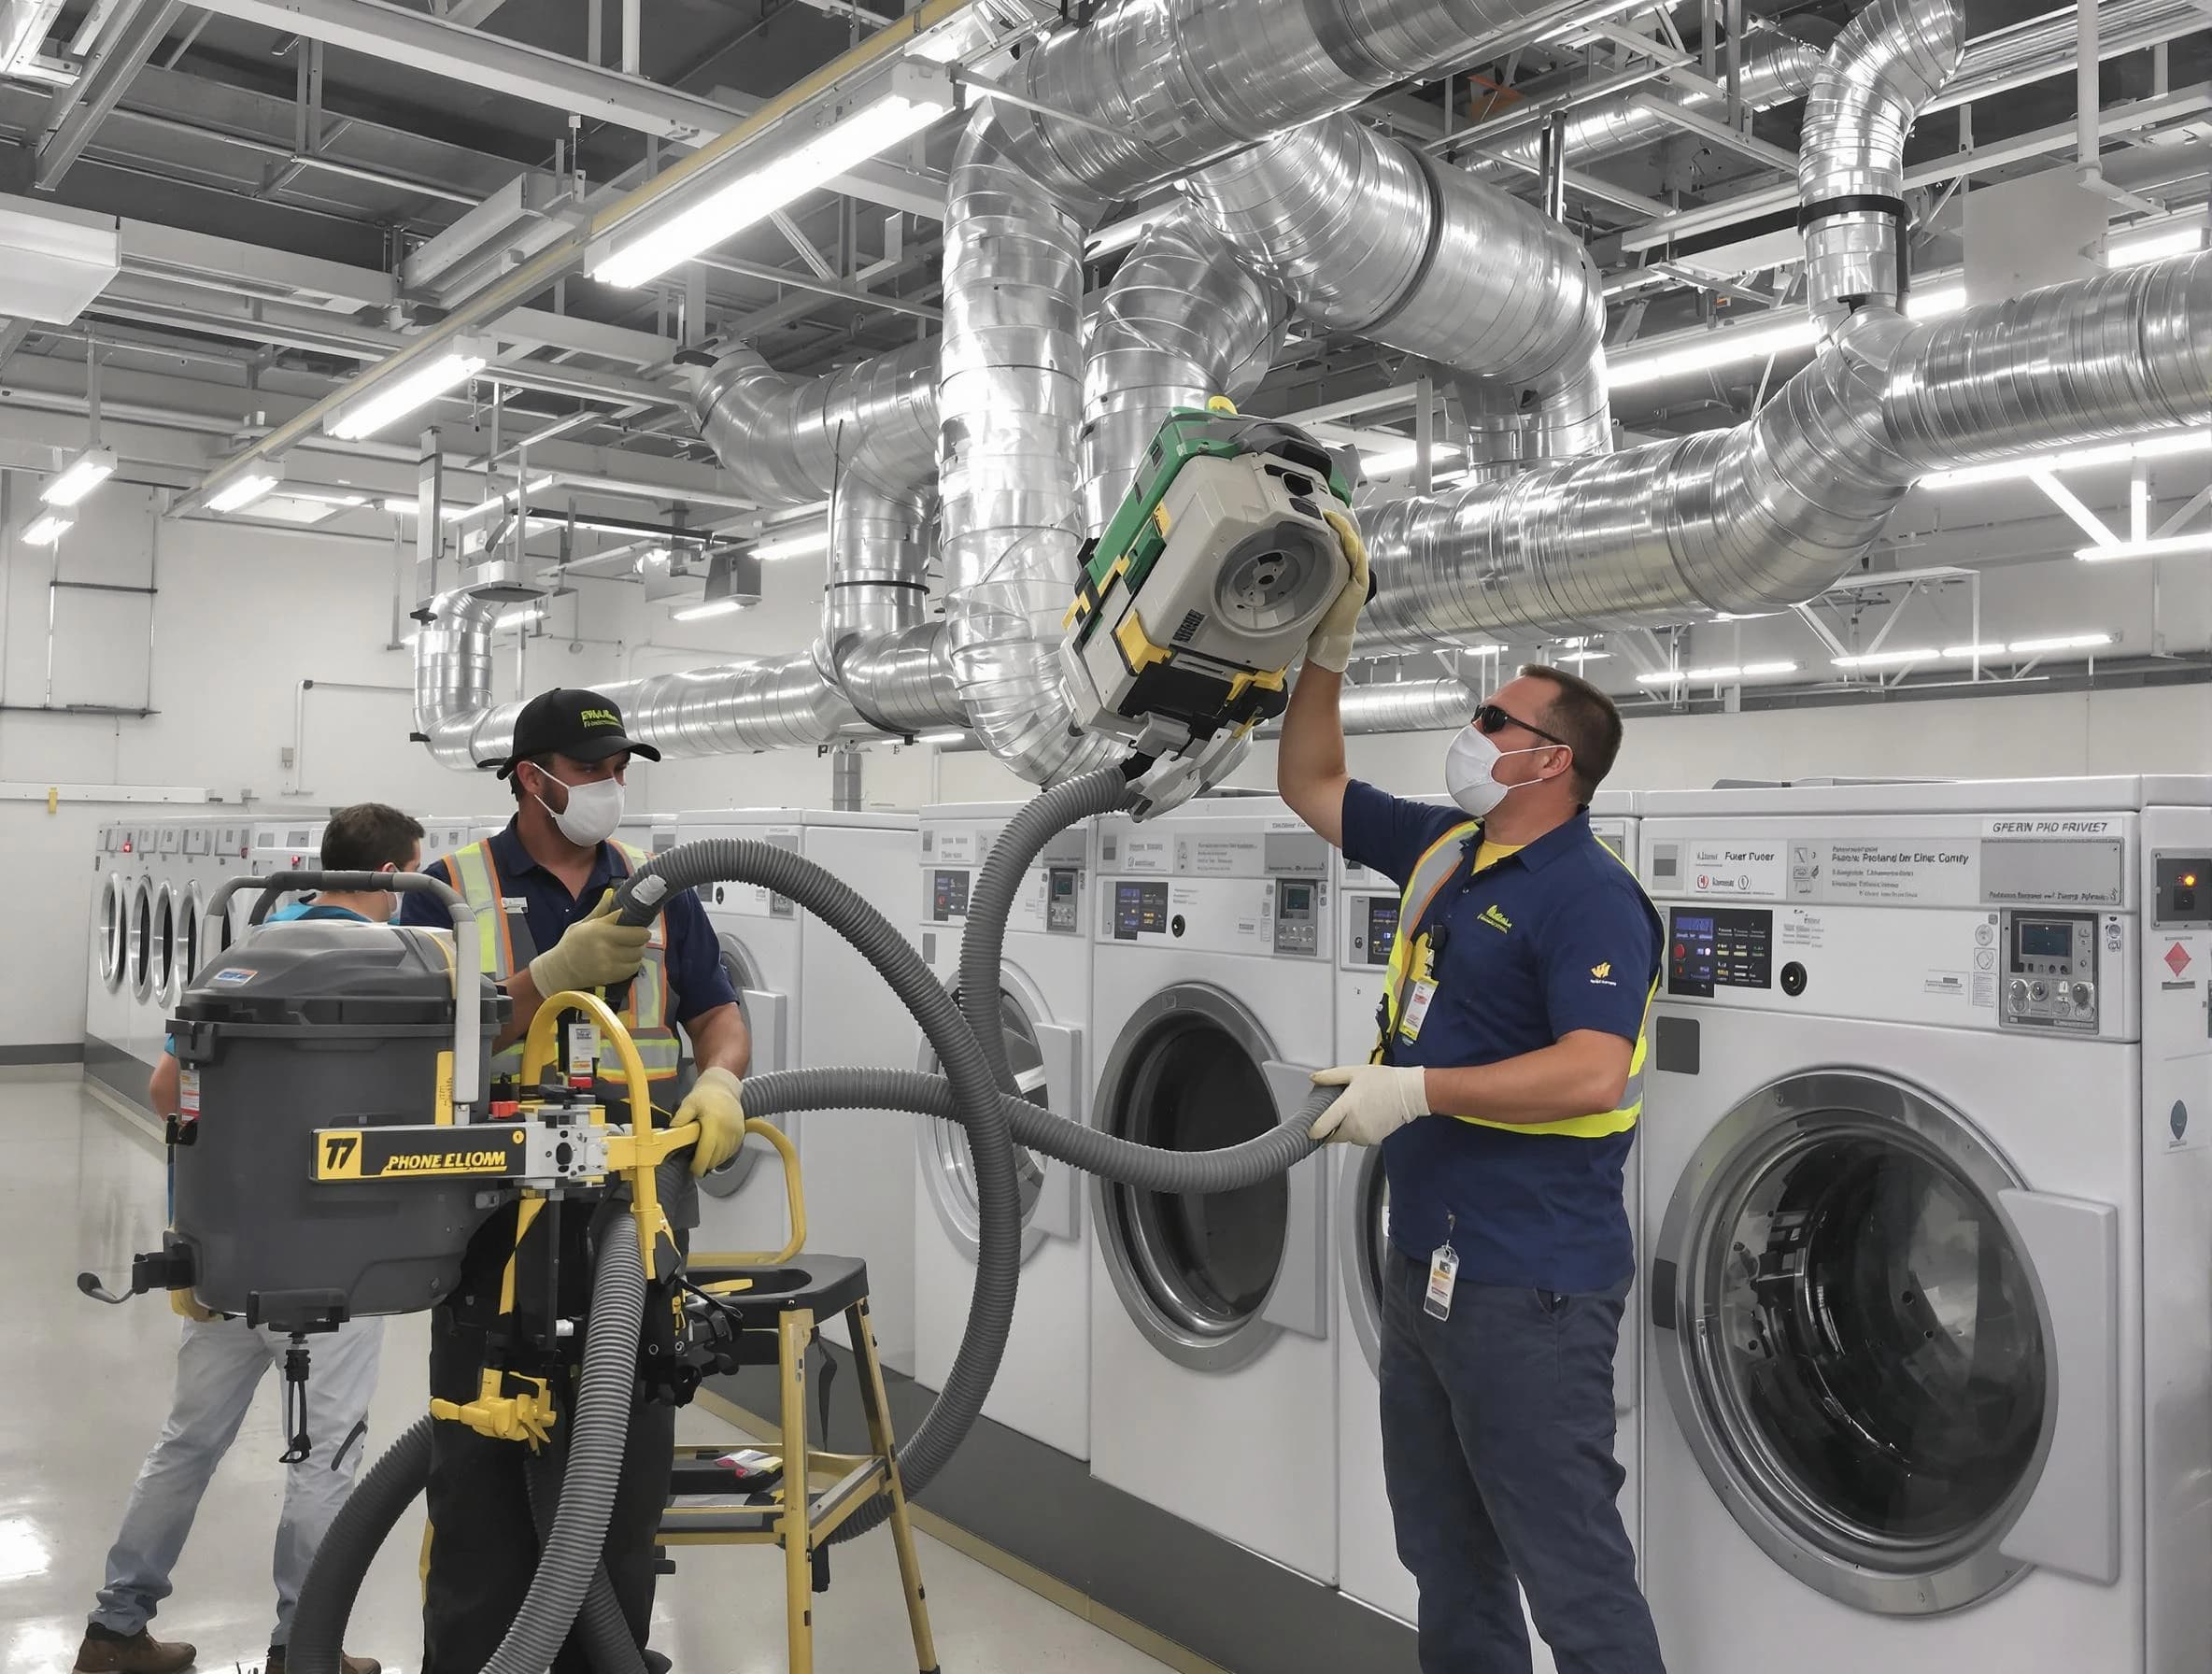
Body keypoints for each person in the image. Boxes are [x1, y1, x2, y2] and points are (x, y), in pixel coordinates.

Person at [1277, 551, 1666, 1674]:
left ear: (1550, 759)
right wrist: (1327, 649)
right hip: (1424, 1267)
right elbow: (1309, 781)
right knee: (1445, 1557)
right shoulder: (1449, 851)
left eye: (1492, 719)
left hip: (1530, 1287)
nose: (1470, 729)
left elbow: (1592, 1072)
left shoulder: (1590, 896)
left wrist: (1413, 1090)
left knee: (1573, 1580)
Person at [398, 687, 746, 1674]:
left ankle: (608, 1656)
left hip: (632, 1230)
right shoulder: (447, 893)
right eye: (591, 769)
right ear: (531, 777)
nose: (610, 786)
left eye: (619, 769)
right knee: (482, 1503)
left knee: (619, 1498)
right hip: (495, 1238)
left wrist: (721, 1076)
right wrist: (551, 974)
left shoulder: (658, 889)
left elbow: (716, 1012)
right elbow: (427, 1045)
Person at [76, 802, 427, 1674]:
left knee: (187, 1444)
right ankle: (303, 1650)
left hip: (225, 1257)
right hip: (336, 1261)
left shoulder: (245, 948)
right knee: (323, 1460)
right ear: (388, 876)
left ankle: (114, 1631)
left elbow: (168, 1091)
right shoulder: (397, 964)